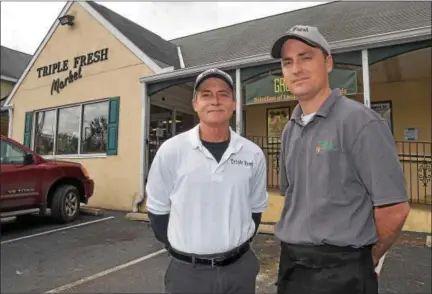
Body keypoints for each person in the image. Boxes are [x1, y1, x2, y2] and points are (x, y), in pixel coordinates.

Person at [269, 25, 411, 294]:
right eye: (288, 62)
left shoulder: (361, 123)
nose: (296, 68)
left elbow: (394, 209)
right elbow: (293, 197)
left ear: (329, 62)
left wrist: (367, 260)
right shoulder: (290, 129)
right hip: (292, 267)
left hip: (343, 272)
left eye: (306, 57)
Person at [145, 68, 268, 294]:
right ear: (195, 103)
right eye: (206, 94)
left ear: (233, 103)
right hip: (188, 275)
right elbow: (158, 212)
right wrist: (185, 252)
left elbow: (255, 210)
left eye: (223, 94)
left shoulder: (252, 154)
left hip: (239, 271)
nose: (215, 101)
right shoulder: (171, 151)